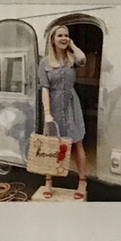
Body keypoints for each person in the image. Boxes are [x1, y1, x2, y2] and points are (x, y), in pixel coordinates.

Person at [35, 23, 89, 201]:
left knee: (77, 142)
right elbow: (44, 89)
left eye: (66, 35)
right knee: (51, 145)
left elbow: (83, 59)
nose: (64, 38)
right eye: (60, 35)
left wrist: (71, 45)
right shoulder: (44, 62)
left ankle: (82, 182)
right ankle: (48, 182)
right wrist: (47, 113)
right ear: (52, 39)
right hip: (54, 104)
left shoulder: (72, 58)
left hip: (71, 104)